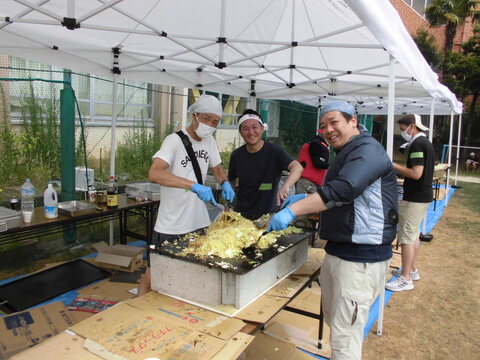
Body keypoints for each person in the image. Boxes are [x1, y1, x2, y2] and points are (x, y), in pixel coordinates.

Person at [267, 101, 398, 360]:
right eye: (323, 125)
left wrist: (293, 211)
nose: (328, 130)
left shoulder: (367, 150)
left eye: (334, 122)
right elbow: (341, 197)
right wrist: (304, 198)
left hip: (362, 257)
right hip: (340, 250)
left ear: (353, 121)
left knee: (345, 335)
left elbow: (344, 189)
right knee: (335, 321)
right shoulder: (348, 151)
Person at [137, 94, 235, 296]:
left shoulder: (209, 142)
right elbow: (155, 173)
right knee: (153, 272)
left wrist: (224, 182)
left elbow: (216, 169)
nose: (209, 125)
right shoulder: (174, 140)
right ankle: (137, 307)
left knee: (192, 272)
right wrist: (194, 186)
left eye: (215, 122)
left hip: (198, 221)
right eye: (206, 118)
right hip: (171, 223)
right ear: (194, 115)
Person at [386, 114, 434, 292]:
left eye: (403, 128)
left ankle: (405, 279)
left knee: (406, 237)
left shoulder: (418, 144)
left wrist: (392, 165)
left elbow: (416, 173)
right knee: (413, 235)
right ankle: (411, 269)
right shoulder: (424, 143)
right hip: (421, 196)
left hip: (416, 197)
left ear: (412, 126)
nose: (403, 132)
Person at [227, 109, 303, 220]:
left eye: (254, 127)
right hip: (241, 216)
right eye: (245, 128)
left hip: (267, 217)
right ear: (240, 132)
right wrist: (228, 201)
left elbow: (297, 167)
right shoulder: (236, 155)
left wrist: (286, 186)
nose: (251, 132)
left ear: (262, 129)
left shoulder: (274, 151)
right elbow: (231, 182)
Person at [296, 130, 329, 194]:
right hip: (308, 183)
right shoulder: (316, 143)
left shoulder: (314, 144)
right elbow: (318, 163)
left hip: (308, 183)